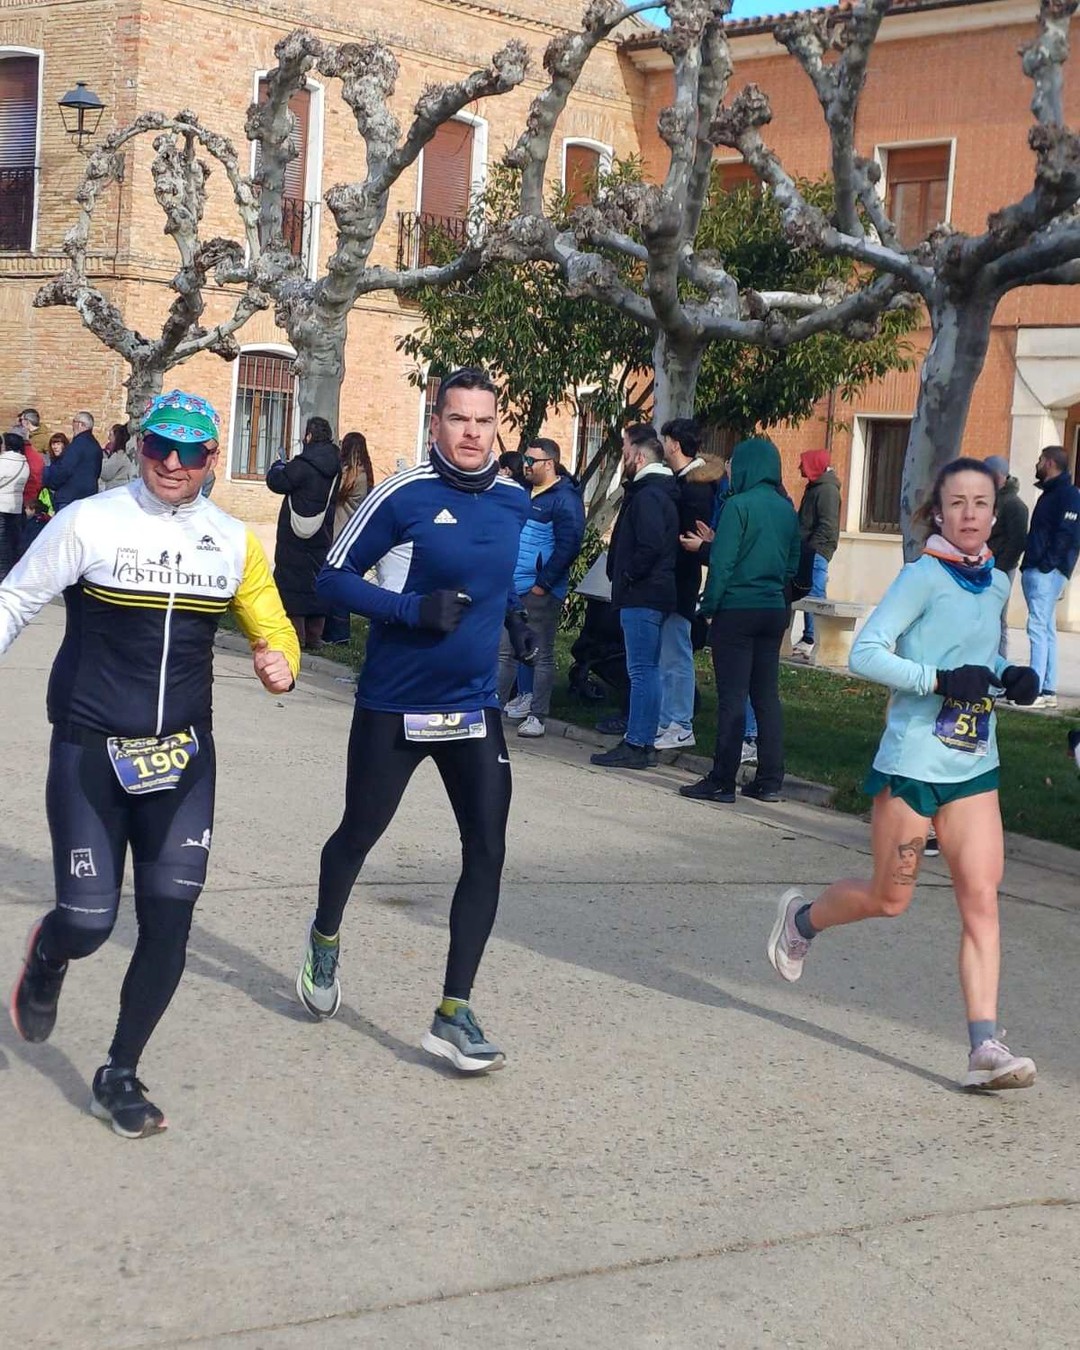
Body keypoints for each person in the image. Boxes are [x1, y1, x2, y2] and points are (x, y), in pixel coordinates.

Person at [5, 389, 300, 1138]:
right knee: (89, 920)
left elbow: (273, 626)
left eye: (192, 452)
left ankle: (120, 1071)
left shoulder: (234, 541)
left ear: (211, 459)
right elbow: (14, 599)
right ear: (139, 448)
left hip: (183, 760)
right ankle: (49, 953)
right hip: (91, 748)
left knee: (169, 923)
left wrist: (283, 665)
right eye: (159, 446)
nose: (173, 463)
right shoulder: (89, 522)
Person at [766, 457, 1042, 1090]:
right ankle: (802, 921)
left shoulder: (997, 583)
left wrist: (1009, 677)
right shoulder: (921, 577)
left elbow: (981, 661)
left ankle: (984, 1048)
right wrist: (938, 681)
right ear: (937, 513)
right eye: (958, 503)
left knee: (981, 902)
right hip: (914, 765)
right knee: (891, 899)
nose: (970, 514)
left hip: (974, 765)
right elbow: (866, 653)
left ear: (994, 515)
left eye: (980, 503)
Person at [297, 367, 532, 1073]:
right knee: (358, 834)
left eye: (483, 421)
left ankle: (453, 1011)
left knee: (487, 850)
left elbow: (496, 579)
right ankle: (325, 937)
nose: (470, 433)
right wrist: (409, 611)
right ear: (436, 424)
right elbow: (330, 577)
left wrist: (515, 621)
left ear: (497, 428)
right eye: (457, 419)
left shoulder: (516, 502)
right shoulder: (404, 495)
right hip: (395, 704)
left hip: (472, 707)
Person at [680, 437, 800, 803]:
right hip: (773, 609)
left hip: (737, 608)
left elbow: (723, 563)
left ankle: (721, 779)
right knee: (766, 696)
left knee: (732, 697)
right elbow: (793, 564)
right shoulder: (785, 508)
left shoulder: (737, 506)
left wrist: (709, 606)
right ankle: (770, 778)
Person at [590, 425, 679, 770]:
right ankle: (640, 740)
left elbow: (651, 545)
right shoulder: (652, 491)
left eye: (625, 452)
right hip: (645, 591)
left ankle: (638, 741)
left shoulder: (649, 495)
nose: (622, 459)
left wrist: (628, 575)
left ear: (639, 457)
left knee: (642, 670)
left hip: (643, 594)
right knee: (647, 670)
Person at [498, 437, 585, 739]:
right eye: (525, 459)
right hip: (512, 584)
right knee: (505, 652)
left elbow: (569, 545)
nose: (525, 465)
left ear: (549, 463)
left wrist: (543, 584)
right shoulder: (523, 492)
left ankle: (538, 715)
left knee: (541, 653)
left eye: (531, 461)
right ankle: (492, 709)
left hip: (540, 590)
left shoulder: (564, 499)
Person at [656, 418, 723, 751]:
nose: (663, 445)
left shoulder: (694, 488)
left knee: (676, 655)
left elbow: (690, 539)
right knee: (666, 656)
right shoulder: (683, 481)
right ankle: (667, 719)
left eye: (665, 439)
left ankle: (680, 722)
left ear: (674, 444)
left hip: (679, 582)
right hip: (669, 581)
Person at [266, 416, 341, 652]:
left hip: (295, 533)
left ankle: (295, 636)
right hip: (322, 529)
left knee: (292, 581)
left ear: (308, 435)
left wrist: (278, 466)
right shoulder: (336, 464)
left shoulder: (303, 463)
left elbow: (279, 482)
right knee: (317, 579)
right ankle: (315, 637)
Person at [1019, 444, 1080, 709]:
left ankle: (1034, 690)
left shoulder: (1067, 495)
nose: (1038, 464)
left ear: (1051, 463)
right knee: (1047, 629)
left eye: (1041, 459)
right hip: (1042, 568)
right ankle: (1047, 688)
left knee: (1037, 629)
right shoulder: (1052, 494)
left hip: (1046, 571)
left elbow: (1067, 533)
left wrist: (1047, 564)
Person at [324, 430, 375, 644]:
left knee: (336, 585)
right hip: (352, 537)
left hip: (339, 536)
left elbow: (334, 494)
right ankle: (338, 634)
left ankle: (337, 634)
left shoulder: (352, 476)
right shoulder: (366, 475)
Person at [791, 449, 841, 660]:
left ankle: (814, 638)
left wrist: (812, 548)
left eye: (803, 464)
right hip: (808, 549)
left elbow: (827, 525)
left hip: (816, 551)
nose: (800, 468)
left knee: (815, 593)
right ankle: (809, 636)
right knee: (807, 592)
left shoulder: (827, 490)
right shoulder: (815, 487)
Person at [984, 454, 1029, 661]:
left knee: (997, 619)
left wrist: (999, 568)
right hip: (982, 565)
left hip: (999, 568)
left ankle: (998, 672)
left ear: (999, 476)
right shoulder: (986, 499)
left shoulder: (1014, 505)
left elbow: (1017, 542)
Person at [42, 411, 102, 512]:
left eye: (73, 422)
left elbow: (65, 469)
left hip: (69, 497)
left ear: (80, 424)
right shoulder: (96, 446)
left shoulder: (76, 445)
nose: (72, 426)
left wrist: (52, 483)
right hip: (88, 496)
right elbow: (97, 471)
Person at [0, 431, 29, 579]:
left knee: (2, 546)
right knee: (10, 544)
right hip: (15, 507)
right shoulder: (24, 462)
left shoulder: (4, 462)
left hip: (2, 507)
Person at [98, 422, 136, 491]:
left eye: (111, 435)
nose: (109, 438)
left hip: (117, 489)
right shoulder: (118, 454)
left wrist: (103, 460)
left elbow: (105, 474)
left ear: (117, 438)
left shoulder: (119, 455)